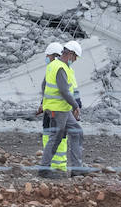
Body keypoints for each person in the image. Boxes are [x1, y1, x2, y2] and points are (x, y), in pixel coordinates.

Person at [39, 40, 88, 178]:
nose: (76, 60)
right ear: (71, 54)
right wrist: (75, 105)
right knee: (56, 137)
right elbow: (64, 91)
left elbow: (44, 85)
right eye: (76, 57)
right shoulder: (60, 67)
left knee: (77, 132)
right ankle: (44, 170)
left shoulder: (56, 66)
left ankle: (77, 170)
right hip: (58, 109)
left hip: (63, 109)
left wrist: (45, 101)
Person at [36, 42, 68, 172]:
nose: (46, 58)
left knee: (56, 136)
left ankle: (56, 165)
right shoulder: (52, 69)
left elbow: (63, 91)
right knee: (51, 135)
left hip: (57, 110)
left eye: (48, 56)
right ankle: (51, 164)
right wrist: (43, 104)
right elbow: (47, 89)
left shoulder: (59, 69)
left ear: (54, 56)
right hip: (52, 109)